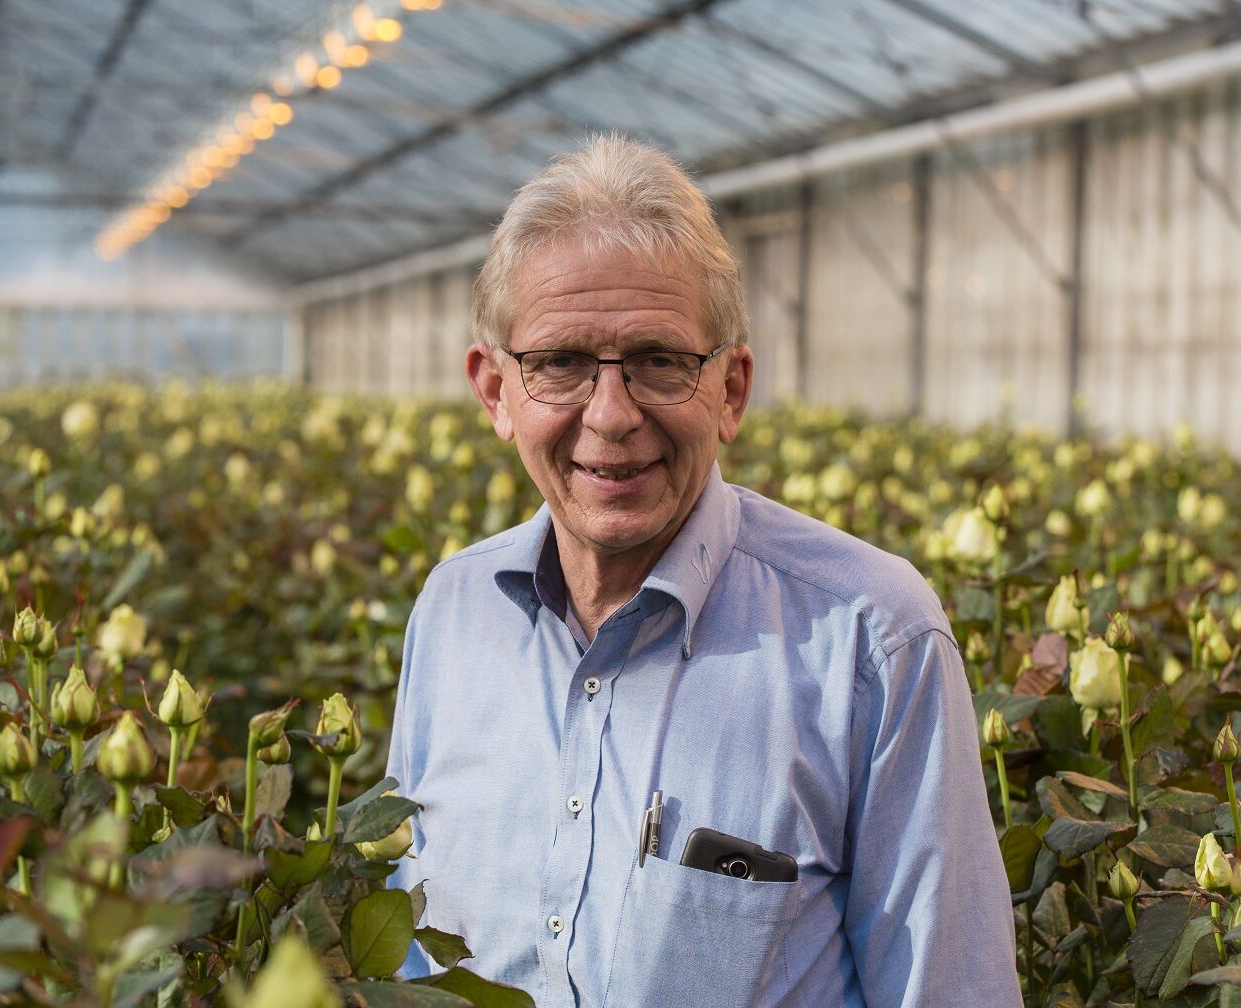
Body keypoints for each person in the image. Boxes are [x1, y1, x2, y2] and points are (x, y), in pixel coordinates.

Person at [384, 134, 1020, 1007]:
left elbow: (951, 990)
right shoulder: (452, 613)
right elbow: (406, 953)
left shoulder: (869, 640)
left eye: (660, 361)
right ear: (496, 391)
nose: (611, 417)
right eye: (561, 363)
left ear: (730, 390)